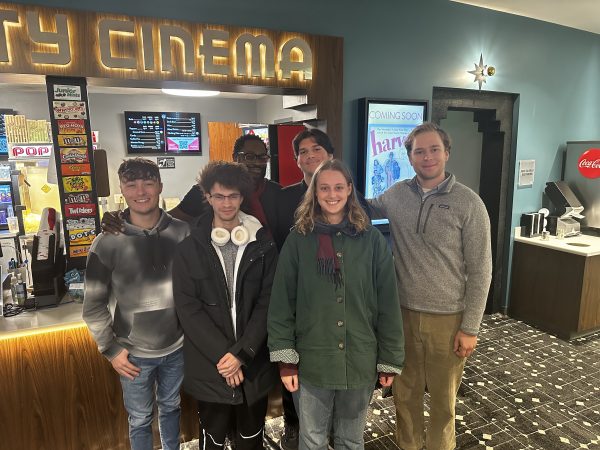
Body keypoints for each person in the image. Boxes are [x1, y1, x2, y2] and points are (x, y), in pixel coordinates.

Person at [368, 122, 492, 450]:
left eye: (434, 149)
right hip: (402, 316)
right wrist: (323, 187)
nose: (427, 157)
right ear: (409, 157)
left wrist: (471, 328)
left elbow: (482, 271)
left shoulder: (470, 204)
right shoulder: (395, 195)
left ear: (447, 153)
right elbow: (361, 205)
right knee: (404, 396)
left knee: (443, 403)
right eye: (419, 151)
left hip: (449, 321)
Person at [268, 159, 404, 449]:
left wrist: (390, 358)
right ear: (315, 193)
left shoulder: (371, 240)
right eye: (325, 188)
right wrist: (286, 362)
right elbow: (282, 303)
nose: (332, 194)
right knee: (312, 439)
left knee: (350, 440)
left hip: (360, 360)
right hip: (311, 361)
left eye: (339, 187)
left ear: (350, 190)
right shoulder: (298, 240)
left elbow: (388, 304)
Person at [83, 158, 190, 450]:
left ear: (160, 186)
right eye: (132, 184)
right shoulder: (107, 242)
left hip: (177, 347)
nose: (140, 191)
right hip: (132, 355)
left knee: (171, 408)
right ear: (122, 189)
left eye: (148, 183)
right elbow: (92, 306)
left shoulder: (182, 232)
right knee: (140, 418)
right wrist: (111, 350)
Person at [172, 161, 278, 450]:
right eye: (219, 196)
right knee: (213, 440)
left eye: (233, 196)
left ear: (242, 197)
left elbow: (268, 302)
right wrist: (226, 358)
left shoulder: (263, 244)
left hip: (253, 362)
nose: (226, 203)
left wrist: (242, 353)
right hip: (212, 365)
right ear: (207, 196)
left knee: (251, 439)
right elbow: (188, 309)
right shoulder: (188, 248)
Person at [101, 134, 283, 248]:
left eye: (262, 157)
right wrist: (122, 217)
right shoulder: (203, 192)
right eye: (249, 156)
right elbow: (163, 221)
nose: (257, 163)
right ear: (235, 157)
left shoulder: (277, 193)